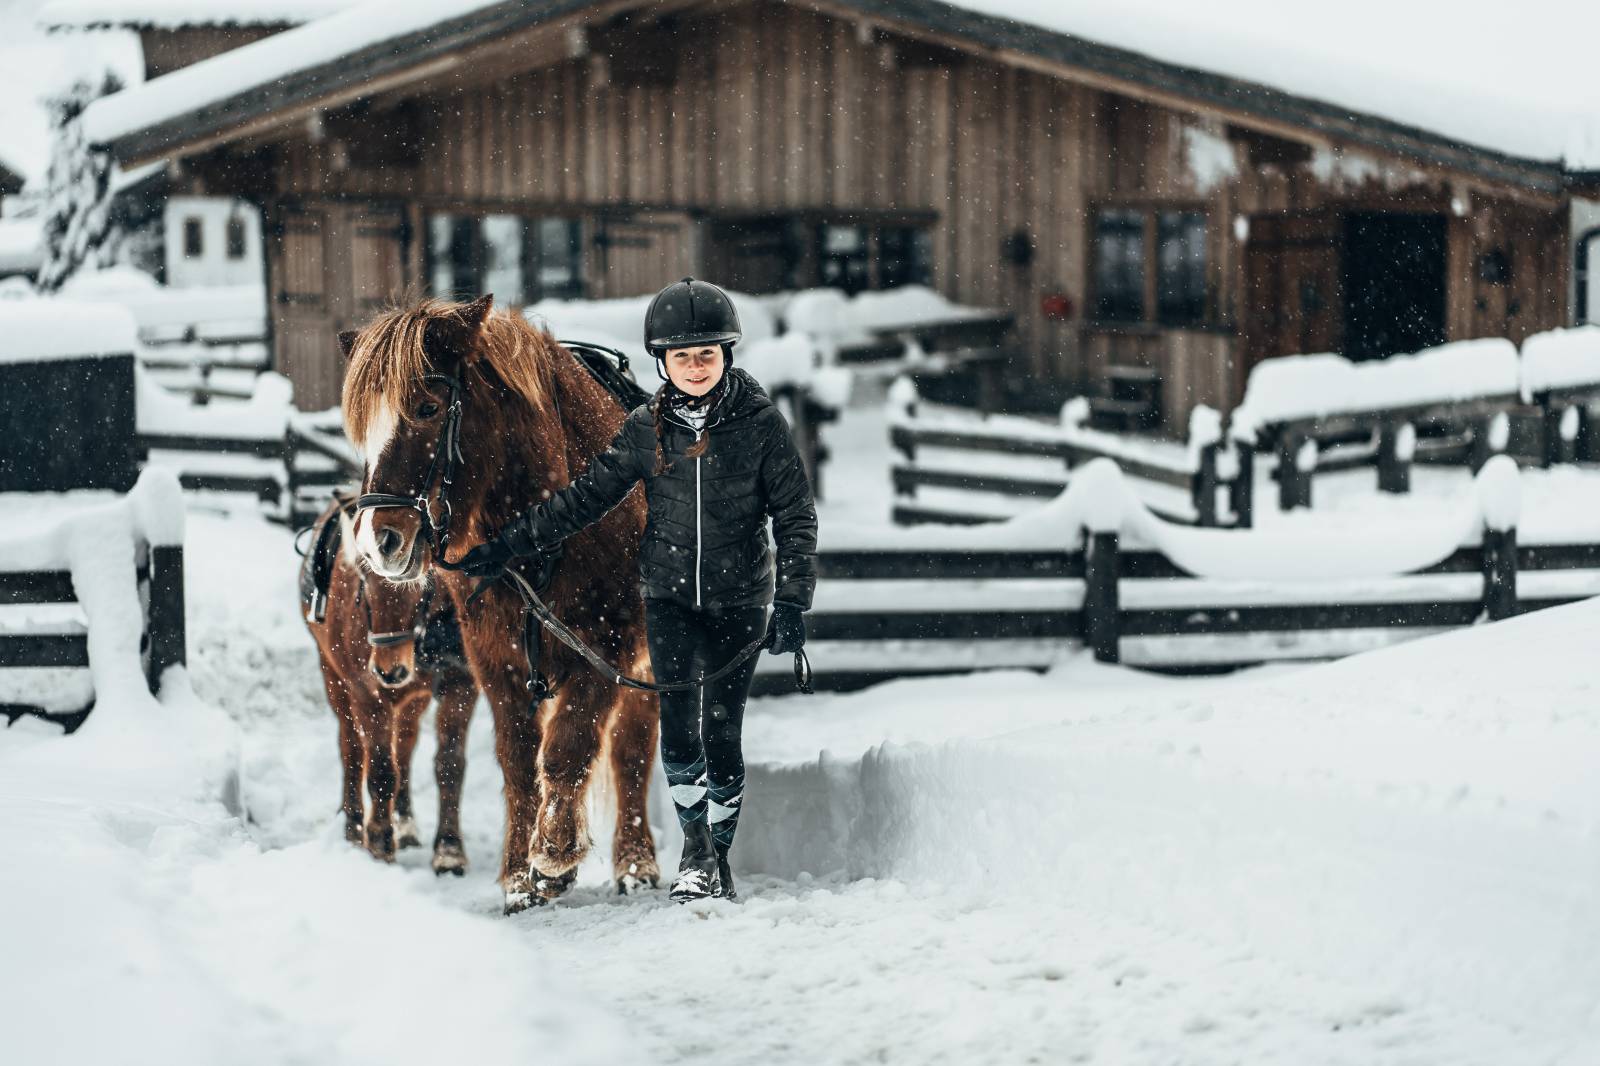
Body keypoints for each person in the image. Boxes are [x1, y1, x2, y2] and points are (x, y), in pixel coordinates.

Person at [458, 277, 818, 903]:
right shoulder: (643, 430)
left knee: (722, 733)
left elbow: (795, 516)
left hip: (739, 601)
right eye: (683, 356)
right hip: (669, 598)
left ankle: (719, 855)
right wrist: (503, 547)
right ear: (663, 362)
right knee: (679, 732)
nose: (696, 367)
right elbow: (581, 501)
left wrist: (791, 598)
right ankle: (698, 856)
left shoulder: (763, 427)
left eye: (707, 354)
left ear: (727, 355)